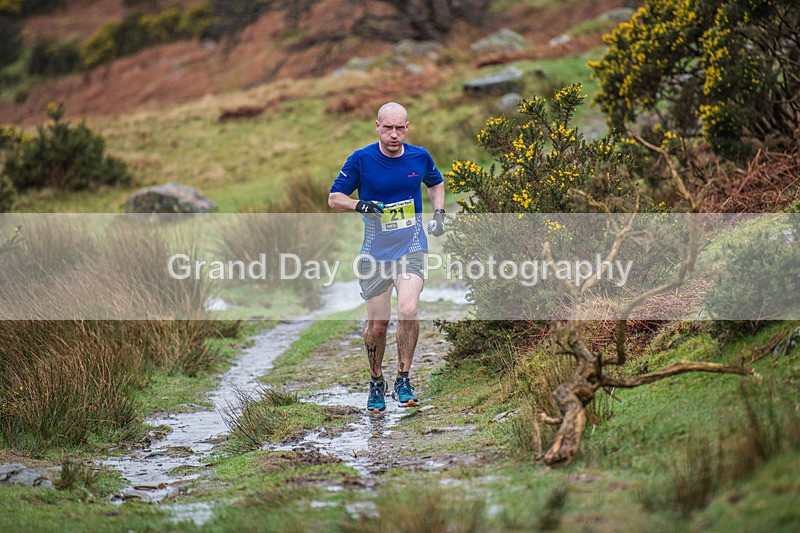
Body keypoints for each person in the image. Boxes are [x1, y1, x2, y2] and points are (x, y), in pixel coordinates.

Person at [328, 102, 446, 413]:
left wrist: (440, 212)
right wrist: (360, 205)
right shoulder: (361, 159)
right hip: (375, 253)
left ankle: (403, 379)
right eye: (388, 128)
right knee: (378, 324)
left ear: (407, 128)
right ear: (377, 127)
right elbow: (333, 197)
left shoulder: (420, 156)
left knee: (408, 308)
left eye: (399, 128)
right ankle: (376, 380)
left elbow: (435, 182)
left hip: (412, 245)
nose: (393, 134)